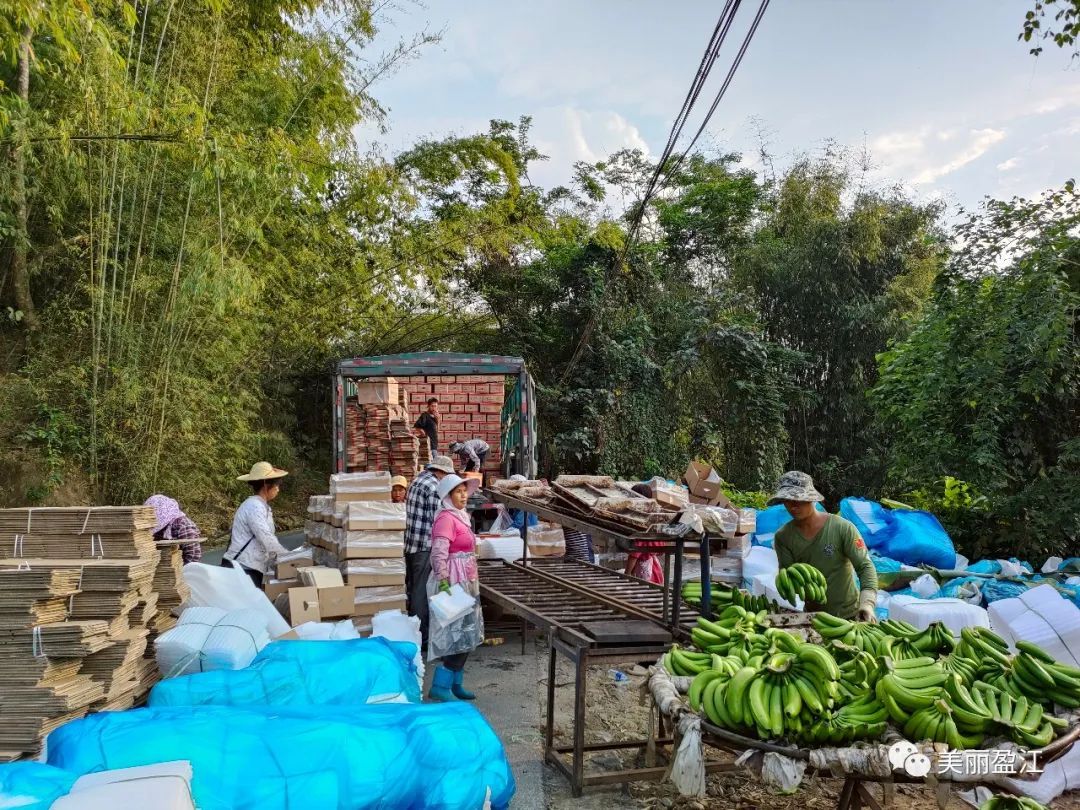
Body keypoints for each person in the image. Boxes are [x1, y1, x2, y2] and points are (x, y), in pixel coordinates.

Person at [770, 470, 878, 621]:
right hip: (813, 618)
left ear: (811, 499)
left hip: (850, 616)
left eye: (799, 499)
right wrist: (787, 585)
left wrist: (867, 604)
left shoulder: (842, 528)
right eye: (787, 500)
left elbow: (865, 566)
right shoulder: (783, 537)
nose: (793, 505)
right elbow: (789, 577)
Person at [427, 473, 483, 701]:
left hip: (466, 578)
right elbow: (439, 551)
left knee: (468, 631)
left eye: (464, 491)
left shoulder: (461, 516)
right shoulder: (446, 519)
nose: (463, 495)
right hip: (453, 580)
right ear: (448, 496)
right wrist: (443, 580)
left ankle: (455, 682)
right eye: (458, 492)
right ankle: (441, 686)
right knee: (455, 633)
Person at [405, 456, 455, 648]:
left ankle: (415, 632)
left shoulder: (418, 480)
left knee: (414, 588)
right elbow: (439, 518)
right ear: (441, 472)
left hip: (411, 545)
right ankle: (421, 637)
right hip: (425, 546)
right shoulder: (434, 486)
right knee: (421, 592)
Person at [222, 461, 290, 588]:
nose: (278, 489)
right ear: (265, 485)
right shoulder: (254, 506)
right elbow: (265, 537)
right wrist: (289, 557)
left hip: (250, 567)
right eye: (276, 485)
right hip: (242, 568)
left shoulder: (261, 506)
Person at [624, 483, 665, 584]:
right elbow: (661, 550)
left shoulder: (642, 524)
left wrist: (626, 575)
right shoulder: (654, 520)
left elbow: (634, 554)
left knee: (645, 595)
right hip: (655, 568)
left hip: (646, 571)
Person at [144, 495, 202, 564]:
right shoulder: (158, 529)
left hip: (182, 567)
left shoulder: (183, 526)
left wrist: (180, 571)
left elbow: (193, 555)